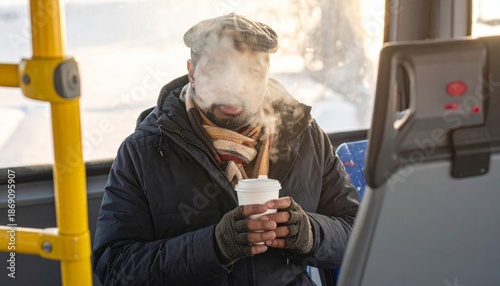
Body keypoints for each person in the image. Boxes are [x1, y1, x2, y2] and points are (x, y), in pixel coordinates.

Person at [92, 13, 360, 286]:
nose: (234, 87)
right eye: (217, 69)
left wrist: (311, 234)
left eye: (251, 71)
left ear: (267, 75)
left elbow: (360, 235)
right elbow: (114, 268)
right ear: (192, 72)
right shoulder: (143, 152)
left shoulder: (305, 137)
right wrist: (214, 247)